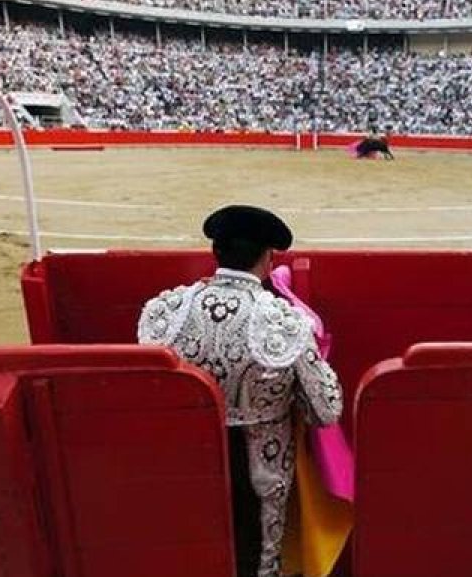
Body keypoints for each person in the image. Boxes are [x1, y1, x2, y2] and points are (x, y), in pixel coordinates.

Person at [136, 205, 343, 577]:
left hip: (188, 461)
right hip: (262, 465)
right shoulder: (285, 321)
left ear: (215, 253)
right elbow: (327, 409)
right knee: (259, 557)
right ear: (268, 258)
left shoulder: (162, 312)